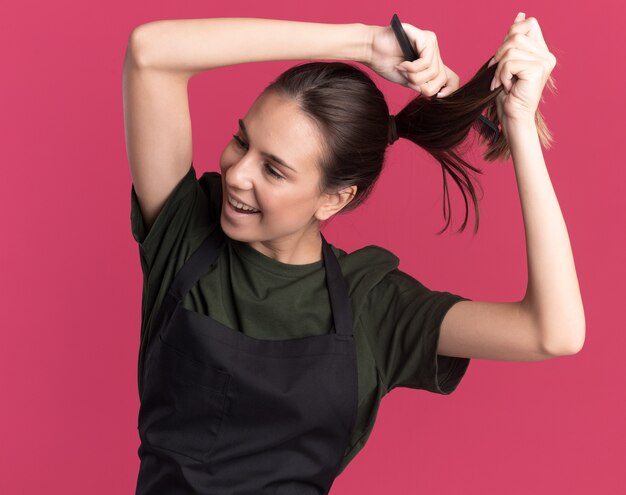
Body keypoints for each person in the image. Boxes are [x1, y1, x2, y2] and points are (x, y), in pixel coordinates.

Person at [123, 14, 585, 494]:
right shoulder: (185, 233)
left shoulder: (372, 304)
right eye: (242, 141)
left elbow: (553, 332)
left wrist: (521, 124)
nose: (238, 174)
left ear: (334, 198)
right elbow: (150, 53)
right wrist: (365, 44)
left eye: (274, 170)